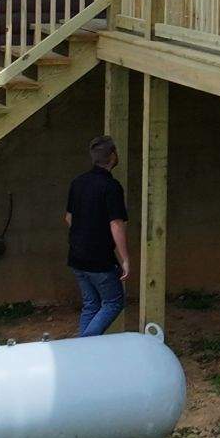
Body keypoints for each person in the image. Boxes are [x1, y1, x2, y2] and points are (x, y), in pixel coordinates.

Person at [64, 134, 133, 336]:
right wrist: (125, 259)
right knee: (114, 302)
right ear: (112, 156)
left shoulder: (78, 182)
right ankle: (85, 345)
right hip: (99, 260)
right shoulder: (111, 187)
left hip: (76, 257)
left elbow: (68, 218)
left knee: (91, 304)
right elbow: (116, 224)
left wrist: (84, 236)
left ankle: (82, 349)